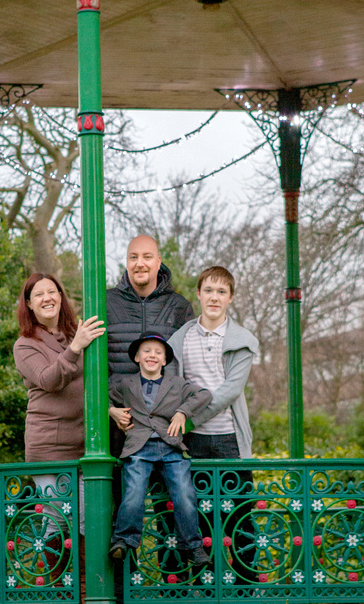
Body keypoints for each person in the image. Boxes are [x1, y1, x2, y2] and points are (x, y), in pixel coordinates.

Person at [13, 272, 105, 594]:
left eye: (52, 291)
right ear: (29, 305)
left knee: (83, 518)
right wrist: (77, 347)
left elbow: (87, 385)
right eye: (39, 295)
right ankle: (61, 587)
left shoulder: (72, 334)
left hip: (82, 445)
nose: (47, 298)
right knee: (57, 518)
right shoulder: (25, 345)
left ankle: (84, 588)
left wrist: (107, 409)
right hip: (48, 448)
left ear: (61, 297)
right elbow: (49, 380)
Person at [168, 265, 258, 583]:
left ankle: (247, 585)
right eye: (209, 290)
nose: (214, 297)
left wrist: (188, 419)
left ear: (230, 298)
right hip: (192, 443)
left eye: (221, 292)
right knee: (200, 518)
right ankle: (207, 586)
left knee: (240, 517)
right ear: (199, 294)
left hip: (229, 438)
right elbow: (174, 386)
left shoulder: (241, 341)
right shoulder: (180, 339)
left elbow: (229, 393)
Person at [108, 333, 212, 566]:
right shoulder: (126, 385)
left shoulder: (176, 383)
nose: (152, 355)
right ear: (137, 357)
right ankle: (124, 541)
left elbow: (204, 395)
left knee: (184, 493)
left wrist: (182, 411)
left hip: (170, 446)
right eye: (146, 351)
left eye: (158, 352)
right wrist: (111, 412)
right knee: (134, 492)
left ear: (165, 360)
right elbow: (100, 398)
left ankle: (193, 546)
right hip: (139, 447)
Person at [107, 234, 194, 443]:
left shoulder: (179, 307)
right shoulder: (106, 303)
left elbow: (189, 367)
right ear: (126, 262)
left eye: (147, 257)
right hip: (119, 425)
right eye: (133, 257)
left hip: (166, 427)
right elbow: (89, 368)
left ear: (158, 261)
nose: (140, 264)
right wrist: (109, 409)